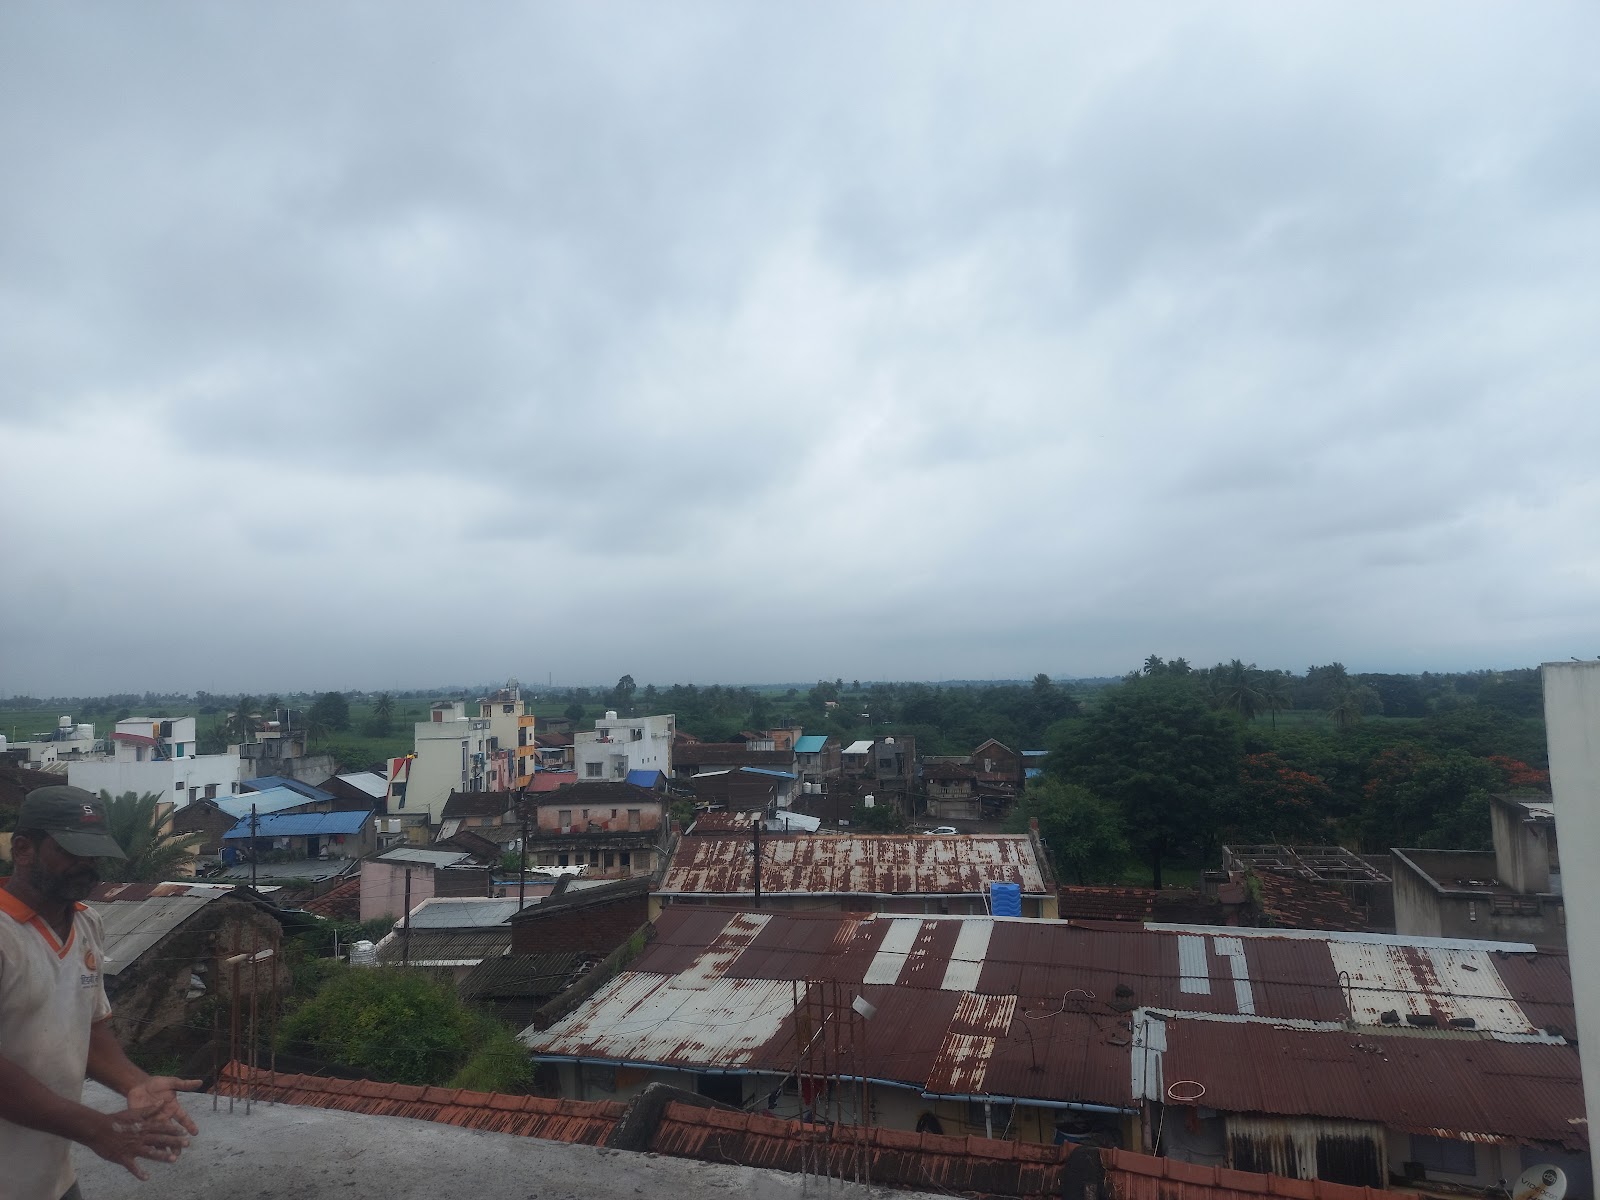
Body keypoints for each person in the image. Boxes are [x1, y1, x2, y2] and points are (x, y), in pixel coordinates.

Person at [1, 785, 202, 1199]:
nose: (86, 866)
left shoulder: (87, 924)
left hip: (50, 1179)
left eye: (93, 854)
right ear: (23, 850)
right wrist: (95, 1128)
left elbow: (88, 1028)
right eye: (70, 852)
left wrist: (135, 1083)